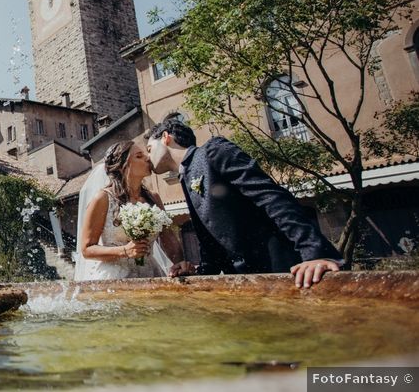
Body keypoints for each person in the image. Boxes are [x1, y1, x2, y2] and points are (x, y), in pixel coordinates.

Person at [145, 119, 343, 288]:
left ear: (166, 137)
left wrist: (315, 252)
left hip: (281, 268)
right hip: (245, 280)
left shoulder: (213, 151)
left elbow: (271, 197)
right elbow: (209, 235)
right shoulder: (184, 176)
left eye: (149, 149)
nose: (148, 157)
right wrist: (200, 271)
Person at [74, 140, 194, 280]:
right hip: (115, 276)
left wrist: (179, 263)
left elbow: (169, 239)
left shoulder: (153, 198)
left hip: (150, 273)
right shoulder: (103, 199)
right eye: (139, 156)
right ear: (122, 166)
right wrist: (125, 251)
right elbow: (87, 249)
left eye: (145, 154)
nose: (147, 158)